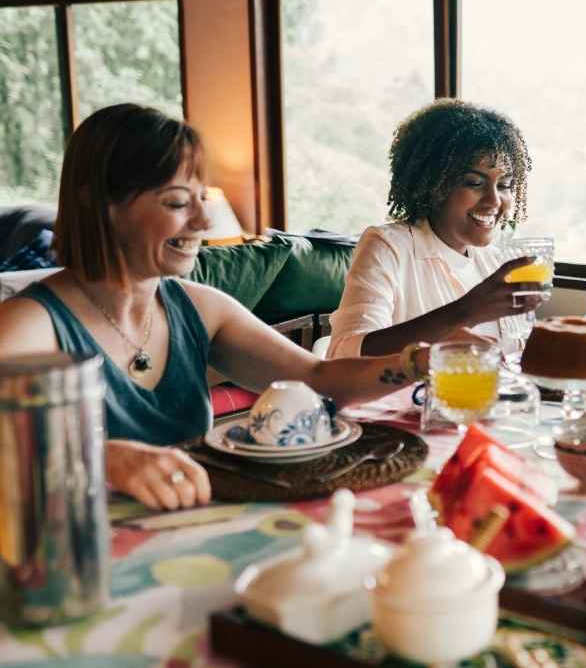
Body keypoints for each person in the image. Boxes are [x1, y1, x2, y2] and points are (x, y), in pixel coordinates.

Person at [0, 104, 433, 512]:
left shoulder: (198, 307)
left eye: (200, 199)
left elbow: (319, 378)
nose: (204, 222)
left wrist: (420, 363)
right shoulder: (32, 324)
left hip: (188, 529)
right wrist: (103, 457)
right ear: (99, 204)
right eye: (176, 203)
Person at [327, 99, 546, 359]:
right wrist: (466, 311)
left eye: (504, 185)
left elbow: (514, 356)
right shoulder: (389, 246)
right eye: (474, 183)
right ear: (432, 184)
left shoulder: (494, 261)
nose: (494, 201)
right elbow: (344, 356)